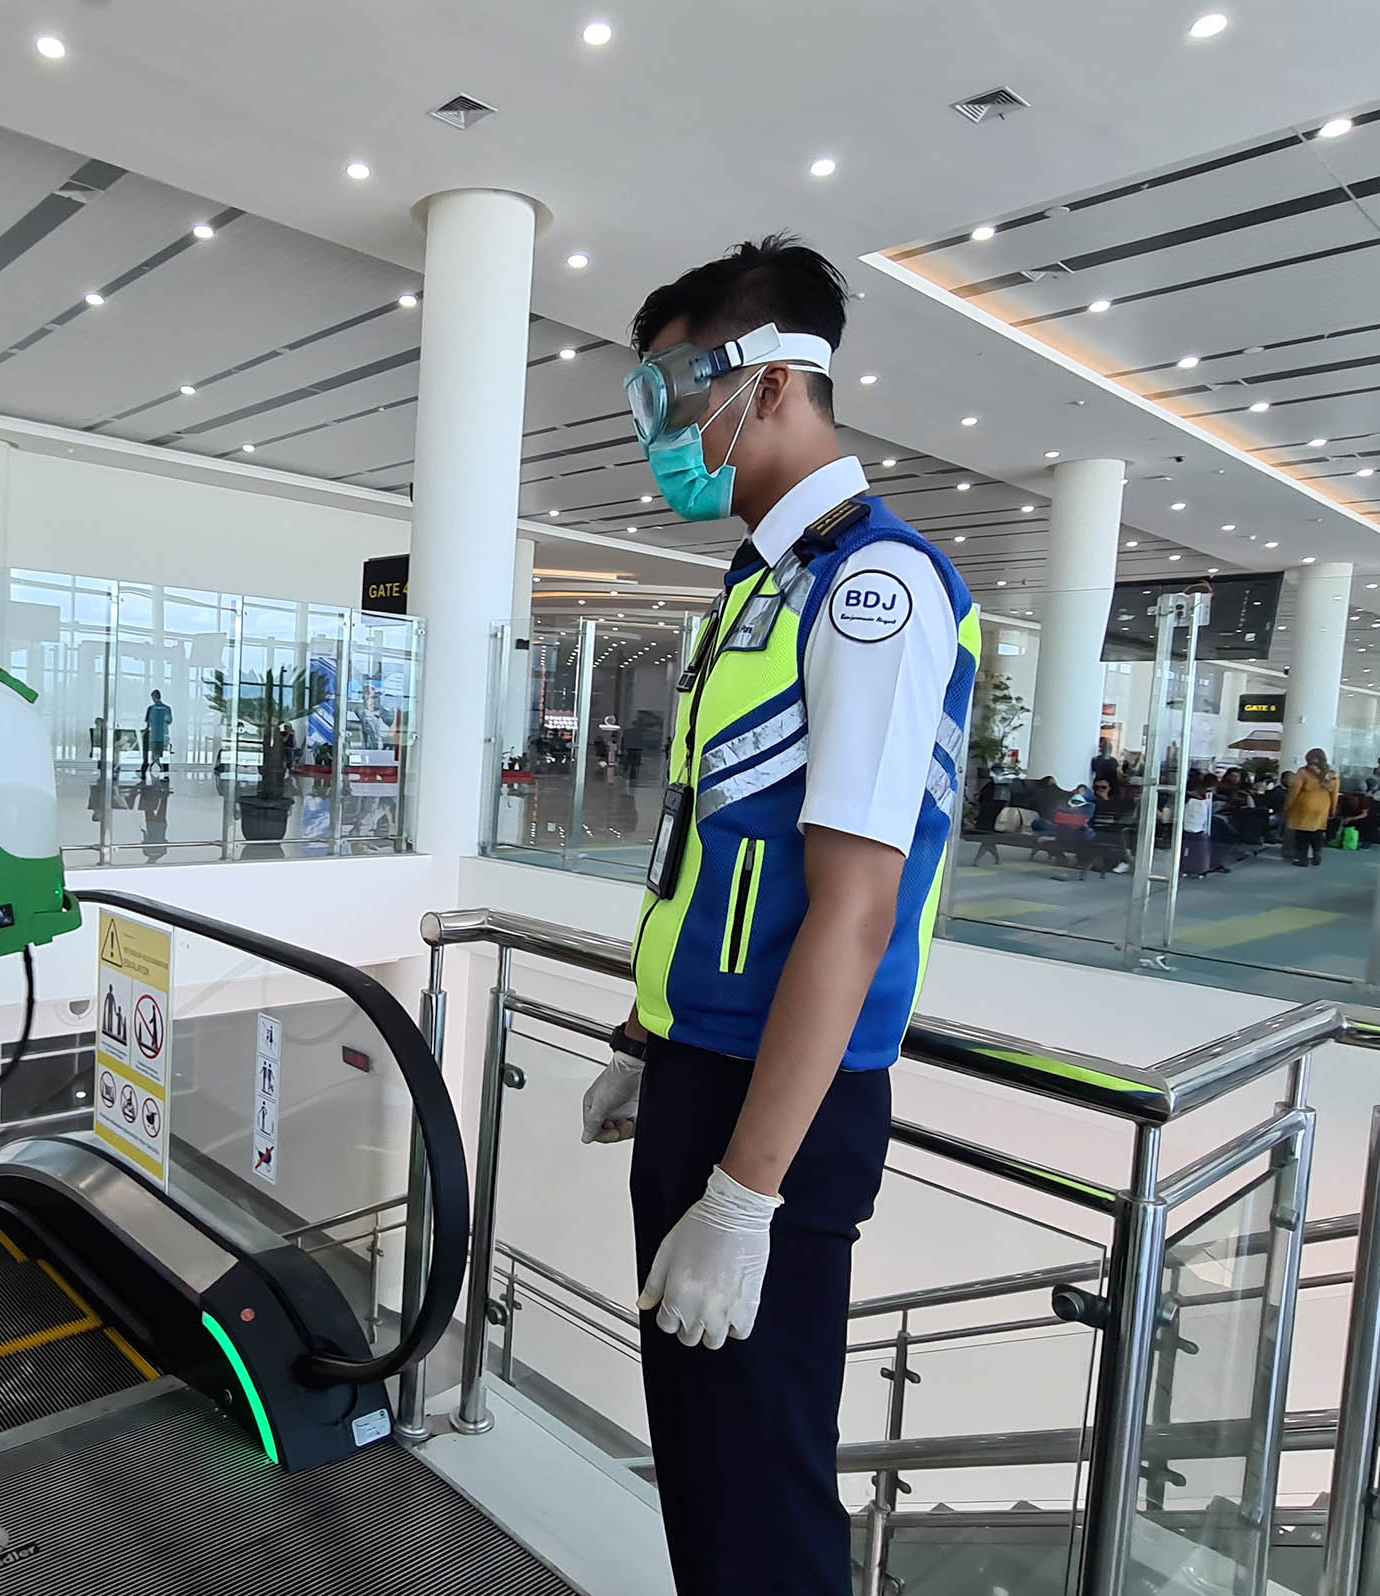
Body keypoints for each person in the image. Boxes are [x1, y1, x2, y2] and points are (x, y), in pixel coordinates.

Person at [575, 237, 977, 1596]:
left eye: (675, 392)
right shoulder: (761, 584)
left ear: (767, 383)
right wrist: (648, 1035)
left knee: (762, 1494)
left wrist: (744, 1195)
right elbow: (718, 853)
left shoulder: (871, 588)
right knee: (700, 1465)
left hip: (779, 1118)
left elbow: (851, 912)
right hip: (706, 1073)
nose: (660, 430)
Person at [1284, 748, 1338, 866]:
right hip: (1323, 805)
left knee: (1302, 833)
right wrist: (1332, 809)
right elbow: (1334, 794)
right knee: (1317, 831)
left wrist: (1288, 806)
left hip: (1304, 805)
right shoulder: (1332, 774)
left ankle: (1302, 859)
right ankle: (1317, 853)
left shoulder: (1303, 772)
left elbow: (1294, 791)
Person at [141, 687, 173, 782]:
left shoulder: (151, 709)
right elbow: (169, 721)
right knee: (163, 757)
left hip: (154, 735)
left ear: (154, 697)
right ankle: (165, 775)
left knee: (150, 755)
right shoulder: (167, 709)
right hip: (163, 735)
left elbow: (147, 723)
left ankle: (145, 773)